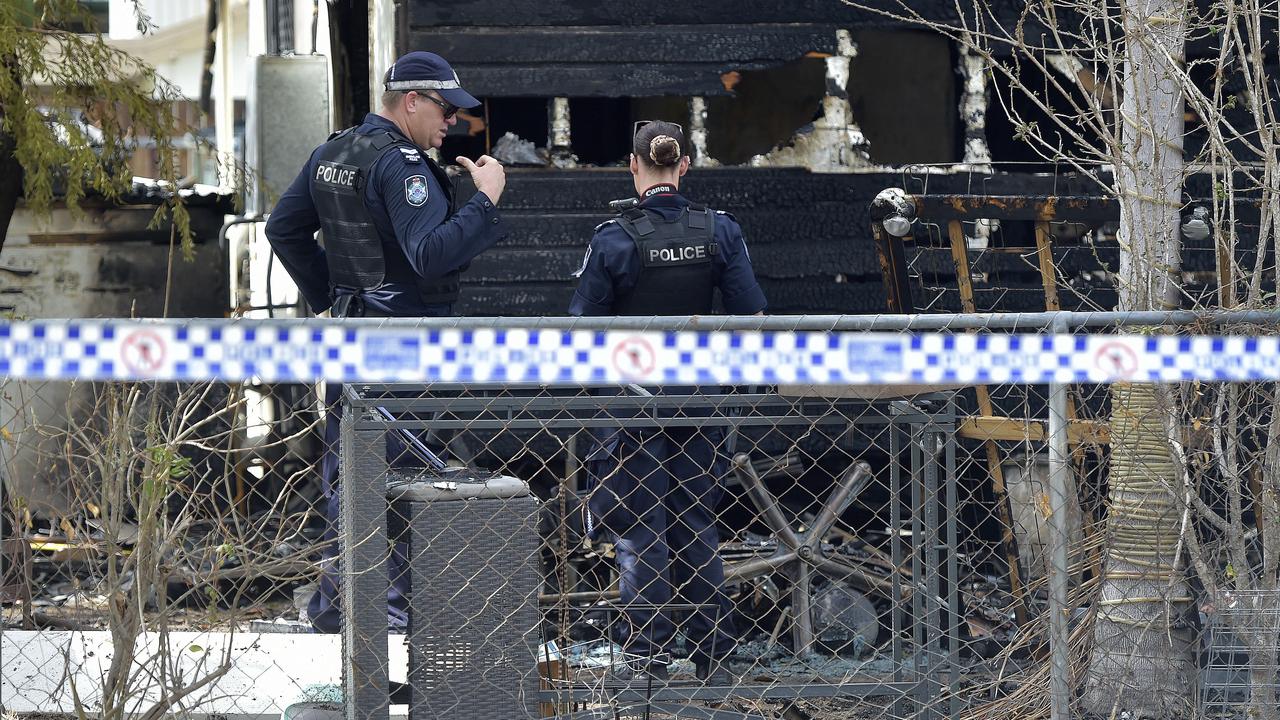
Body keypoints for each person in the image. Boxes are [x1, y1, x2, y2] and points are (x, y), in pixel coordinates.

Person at [264, 50, 507, 633]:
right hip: (399, 345)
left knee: (347, 479)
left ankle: (334, 612)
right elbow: (429, 255)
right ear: (413, 101)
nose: (453, 122)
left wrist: (335, 296)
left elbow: (283, 228)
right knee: (396, 483)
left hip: (350, 337)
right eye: (446, 109)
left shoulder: (334, 151)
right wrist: (486, 200)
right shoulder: (402, 166)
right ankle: (388, 624)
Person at [569, 121, 767, 685]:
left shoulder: (613, 239)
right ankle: (714, 656)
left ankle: (646, 657)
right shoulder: (720, 232)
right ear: (684, 167)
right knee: (696, 526)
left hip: (633, 407)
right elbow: (753, 319)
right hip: (700, 401)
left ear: (633, 167)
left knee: (639, 530)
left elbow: (582, 327)